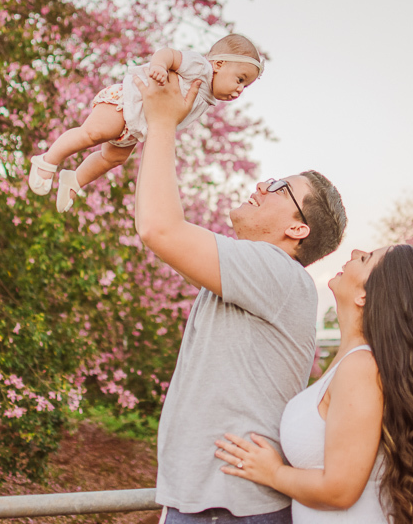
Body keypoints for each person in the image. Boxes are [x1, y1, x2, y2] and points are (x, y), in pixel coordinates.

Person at [132, 71, 347, 523]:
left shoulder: (276, 271)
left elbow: (159, 227)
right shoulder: (256, 274)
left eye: (278, 188)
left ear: (297, 229)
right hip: (207, 504)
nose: (261, 185)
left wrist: (163, 121)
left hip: (228, 509)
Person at [215, 244, 413, 524]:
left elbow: (340, 491)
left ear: (365, 295)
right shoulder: (353, 364)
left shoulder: (360, 368)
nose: (354, 253)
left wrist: (273, 473)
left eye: (365, 259)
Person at [27, 33, 263, 213]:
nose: (240, 89)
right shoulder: (200, 67)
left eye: (246, 86)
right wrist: (159, 66)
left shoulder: (207, 97)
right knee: (94, 133)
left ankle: (75, 179)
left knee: (114, 158)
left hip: (135, 127)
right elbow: (168, 53)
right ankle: (47, 160)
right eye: (240, 79)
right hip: (127, 103)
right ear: (219, 65)